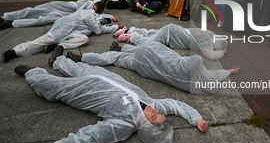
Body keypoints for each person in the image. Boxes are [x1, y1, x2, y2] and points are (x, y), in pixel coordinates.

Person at [15, 55, 208, 143]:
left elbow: (88, 136)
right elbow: (177, 105)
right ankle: (57, 59)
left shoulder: (123, 125)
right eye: (158, 114)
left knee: (51, 88)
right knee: (77, 67)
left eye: (153, 117)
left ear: (145, 126)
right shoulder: (154, 105)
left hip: (84, 93)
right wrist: (196, 118)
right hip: (104, 77)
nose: (154, 110)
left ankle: (31, 73)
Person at [67, 40, 240, 93]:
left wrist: (205, 71)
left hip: (151, 53)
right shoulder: (192, 87)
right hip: (146, 68)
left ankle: (115, 48)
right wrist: (229, 71)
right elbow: (216, 76)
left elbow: (198, 61)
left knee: (131, 51)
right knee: (116, 59)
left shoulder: (189, 67)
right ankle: (81, 58)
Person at [1, 7, 120, 63]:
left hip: (74, 32)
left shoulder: (99, 23)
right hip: (65, 25)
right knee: (47, 40)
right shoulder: (89, 13)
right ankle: (15, 51)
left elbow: (102, 30)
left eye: (106, 22)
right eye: (105, 20)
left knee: (85, 39)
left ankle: (58, 45)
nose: (104, 22)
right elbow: (95, 27)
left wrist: (117, 27)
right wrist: (101, 26)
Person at [114, 23, 228, 61]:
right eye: (215, 45)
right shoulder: (206, 40)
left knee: (152, 33)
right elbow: (211, 56)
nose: (213, 46)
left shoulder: (209, 32)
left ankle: (130, 30)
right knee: (150, 42)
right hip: (171, 35)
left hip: (173, 29)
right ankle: (130, 37)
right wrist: (222, 52)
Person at [0, 0, 105, 29]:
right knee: (35, 10)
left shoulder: (94, 13)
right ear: (95, 4)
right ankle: (6, 17)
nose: (93, 10)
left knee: (42, 20)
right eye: (94, 8)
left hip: (65, 15)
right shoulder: (89, 2)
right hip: (64, 6)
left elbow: (101, 16)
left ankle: (13, 23)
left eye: (95, 11)